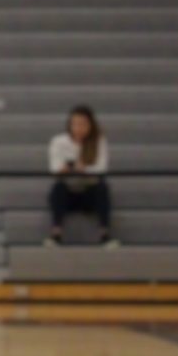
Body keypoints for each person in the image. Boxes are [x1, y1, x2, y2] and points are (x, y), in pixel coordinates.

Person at [45, 105, 118, 248]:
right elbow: (54, 168)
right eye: (75, 124)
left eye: (83, 124)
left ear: (91, 125)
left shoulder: (98, 141)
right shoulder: (58, 141)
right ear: (69, 125)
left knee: (102, 188)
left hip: (89, 191)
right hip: (68, 193)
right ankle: (56, 234)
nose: (78, 128)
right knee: (57, 188)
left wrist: (84, 168)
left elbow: (101, 167)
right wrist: (66, 168)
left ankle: (105, 234)